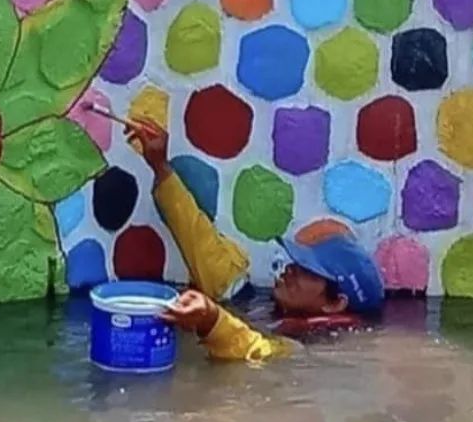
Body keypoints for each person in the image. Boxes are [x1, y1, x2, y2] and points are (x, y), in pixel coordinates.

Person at [126, 117, 385, 363]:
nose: (290, 268)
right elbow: (200, 241)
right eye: (299, 261)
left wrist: (210, 318)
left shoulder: (310, 352)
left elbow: (258, 350)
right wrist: (160, 166)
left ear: (335, 304)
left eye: (308, 269)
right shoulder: (257, 304)